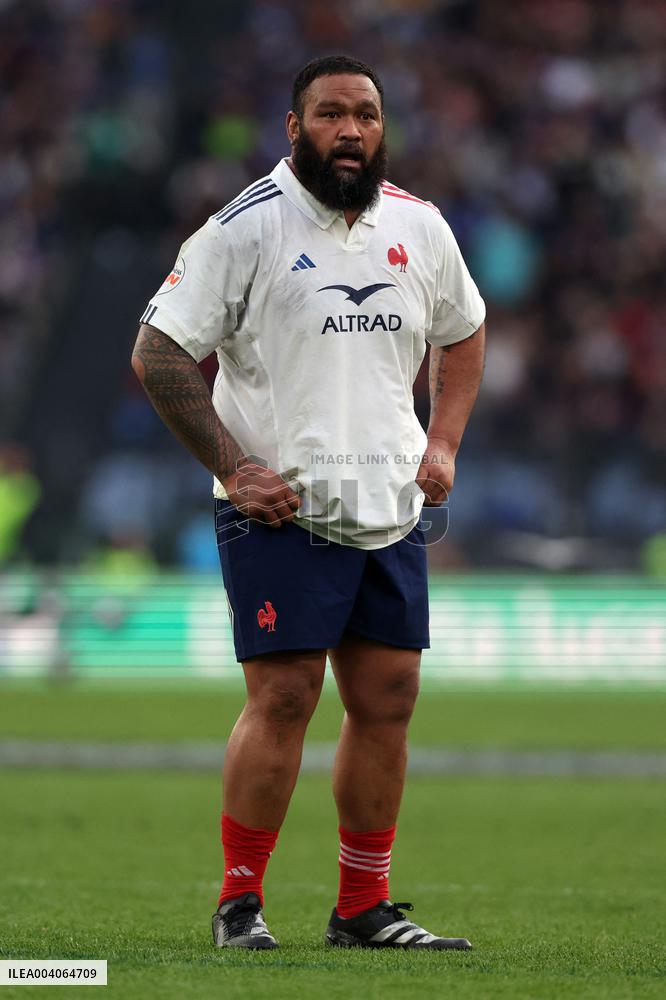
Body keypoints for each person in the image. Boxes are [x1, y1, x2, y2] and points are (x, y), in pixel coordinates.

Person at [132, 54, 485, 951]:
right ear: (294, 128)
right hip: (279, 509)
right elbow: (158, 352)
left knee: (389, 697)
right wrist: (236, 466)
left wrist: (440, 443)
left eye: (365, 114)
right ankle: (239, 906)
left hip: (390, 509)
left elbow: (467, 332)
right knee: (286, 696)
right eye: (331, 114)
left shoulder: (421, 226)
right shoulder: (241, 229)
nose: (352, 131)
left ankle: (363, 909)